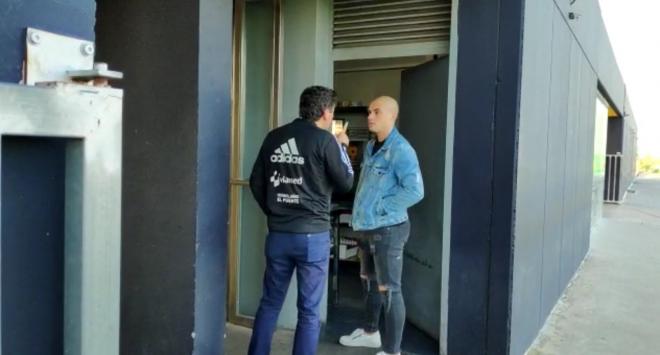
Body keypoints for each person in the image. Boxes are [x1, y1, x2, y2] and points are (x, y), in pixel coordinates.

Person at [248, 85, 354, 355]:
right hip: (312, 238)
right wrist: (342, 148)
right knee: (308, 312)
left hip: (278, 235)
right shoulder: (325, 141)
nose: (331, 117)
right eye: (332, 111)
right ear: (324, 111)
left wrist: (275, 212)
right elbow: (346, 182)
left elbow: (255, 182)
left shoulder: (274, 137)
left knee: (270, 303)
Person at [338, 96, 424, 355]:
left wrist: (379, 207)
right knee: (370, 282)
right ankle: (370, 333)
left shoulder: (401, 150)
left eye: (376, 112)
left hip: (388, 230)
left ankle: (392, 350)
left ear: (391, 116)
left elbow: (415, 191)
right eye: (369, 111)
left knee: (390, 290)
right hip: (368, 228)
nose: (370, 116)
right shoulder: (371, 147)